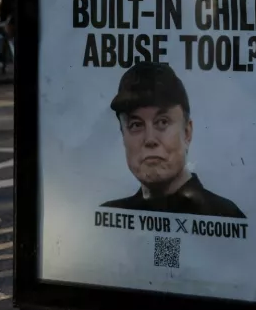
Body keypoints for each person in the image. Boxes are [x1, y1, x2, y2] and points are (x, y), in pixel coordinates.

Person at [101, 62, 246, 218]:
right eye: (136, 124)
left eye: (162, 122)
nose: (150, 139)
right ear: (123, 136)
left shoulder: (226, 217)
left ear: (187, 132)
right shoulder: (111, 216)